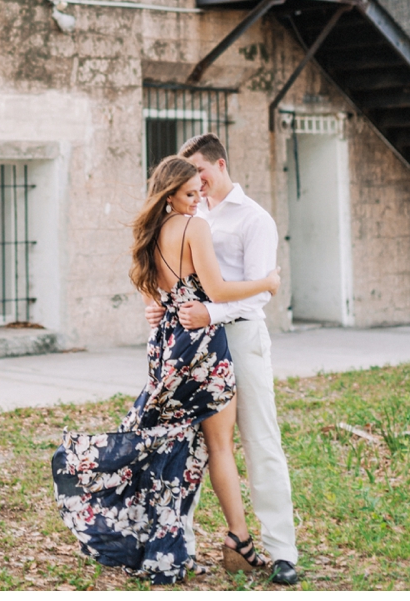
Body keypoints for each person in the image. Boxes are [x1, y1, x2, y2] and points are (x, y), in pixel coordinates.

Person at [52, 155, 280, 585]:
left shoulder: (152, 233)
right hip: (203, 350)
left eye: (200, 192)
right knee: (220, 448)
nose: (198, 201)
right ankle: (240, 541)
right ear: (170, 194)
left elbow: (148, 290)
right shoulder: (195, 227)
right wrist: (267, 283)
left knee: (172, 445)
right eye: (190, 194)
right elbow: (216, 291)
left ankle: (165, 537)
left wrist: (154, 308)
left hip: (168, 347)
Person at [145, 133, 299, 586]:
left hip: (238, 336)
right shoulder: (189, 213)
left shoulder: (256, 220)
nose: (199, 187)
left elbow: (253, 297)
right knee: (187, 443)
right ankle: (180, 545)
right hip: (193, 343)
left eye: (203, 176)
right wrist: (158, 304)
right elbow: (170, 278)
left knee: (259, 440)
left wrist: (211, 310)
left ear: (221, 164)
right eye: (191, 182)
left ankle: (281, 549)